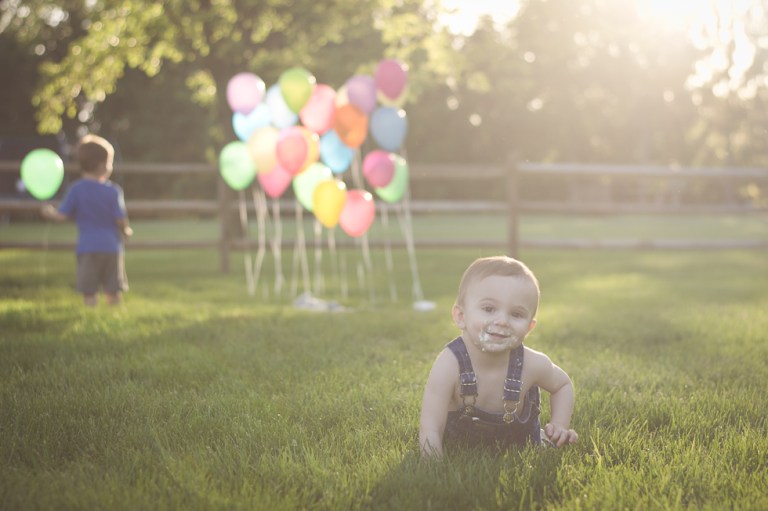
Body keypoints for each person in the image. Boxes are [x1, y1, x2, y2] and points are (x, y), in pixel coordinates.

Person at [419, 256, 578, 458]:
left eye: (516, 314)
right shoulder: (450, 364)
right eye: (489, 309)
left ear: (529, 327)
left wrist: (559, 425)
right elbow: (431, 427)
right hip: (461, 449)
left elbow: (562, 385)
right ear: (461, 316)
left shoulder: (531, 363)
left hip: (519, 449)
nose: (502, 320)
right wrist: (431, 467)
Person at [41, 134, 132, 306]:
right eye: (110, 162)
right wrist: (126, 231)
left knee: (89, 290)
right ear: (102, 165)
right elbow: (121, 219)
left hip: (87, 248)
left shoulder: (76, 190)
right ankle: (114, 314)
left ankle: (90, 312)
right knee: (113, 289)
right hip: (112, 248)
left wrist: (48, 212)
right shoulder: (113, 191)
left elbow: (62, 215)